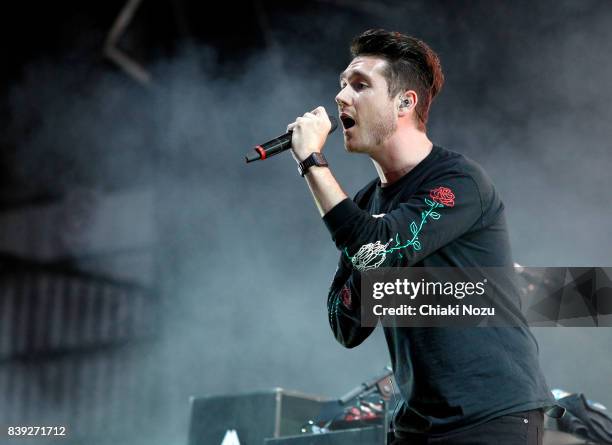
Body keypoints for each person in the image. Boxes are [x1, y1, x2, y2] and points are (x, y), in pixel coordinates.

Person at [287, 29, 557, 444]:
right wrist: (377, 268)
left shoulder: (459, 180)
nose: (341, 96)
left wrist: (312, 162)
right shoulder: (363, 203)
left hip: (490, 417)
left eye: (359, 85)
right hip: (415, 426)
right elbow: (345, 327)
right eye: (342, 84)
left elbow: (377, 247)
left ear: (404, 102)